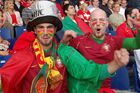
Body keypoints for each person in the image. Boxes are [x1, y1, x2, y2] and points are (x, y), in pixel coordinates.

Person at [0, 1, 129, 93]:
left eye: (49, 27)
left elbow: (87, 69)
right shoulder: (24, 56)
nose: (45, 32)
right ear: (34, 30)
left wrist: (115, 64)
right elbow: (4, 78)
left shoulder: (64, 52)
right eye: (41, 28)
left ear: (55, 29)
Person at [61, 8, 140, 93]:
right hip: (84, 89)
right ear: (90, 24)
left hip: (105, 89)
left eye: (101, 20)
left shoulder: (114, 41)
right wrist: (64, 41)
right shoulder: (78, 41)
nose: (98, 23)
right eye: (94, 20)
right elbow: (63, 53)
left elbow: (136, 43)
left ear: (106, 23)